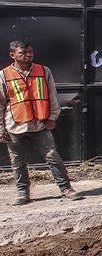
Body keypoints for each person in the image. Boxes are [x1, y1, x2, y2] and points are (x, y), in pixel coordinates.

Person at [1, 40, 81, 205]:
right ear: (12, 55)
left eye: (30, 51)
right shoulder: (4, 75)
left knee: (52, 157)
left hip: (40, 124)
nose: (28, 55)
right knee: (18, 162)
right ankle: (23, 194)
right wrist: (1, 128)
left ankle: (66, 188)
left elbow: (52, 95)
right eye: (23, 52)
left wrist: (52, 117)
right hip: (15, 126)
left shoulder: (44, 71)